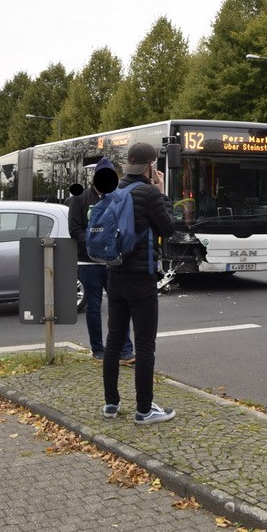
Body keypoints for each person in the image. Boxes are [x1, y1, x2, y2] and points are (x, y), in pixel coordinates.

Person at [101, 142, 177, 425]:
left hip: (115, 274)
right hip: (141, 278)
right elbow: (168, 228)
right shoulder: (148, 193)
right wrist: (163, 194)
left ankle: (111, 404)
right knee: (145, 345)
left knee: (114, 340)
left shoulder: (113, 191)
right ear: (150, 166)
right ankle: (144, 410)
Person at [68, 158, 134, 364]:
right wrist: (91, 241)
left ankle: (125, 349)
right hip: (87, 262)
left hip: (112, 261)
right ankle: (98, 350)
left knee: (119, 306)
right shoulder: (80, 199)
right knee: (94, 306)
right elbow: (74, 229)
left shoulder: (117, 198)